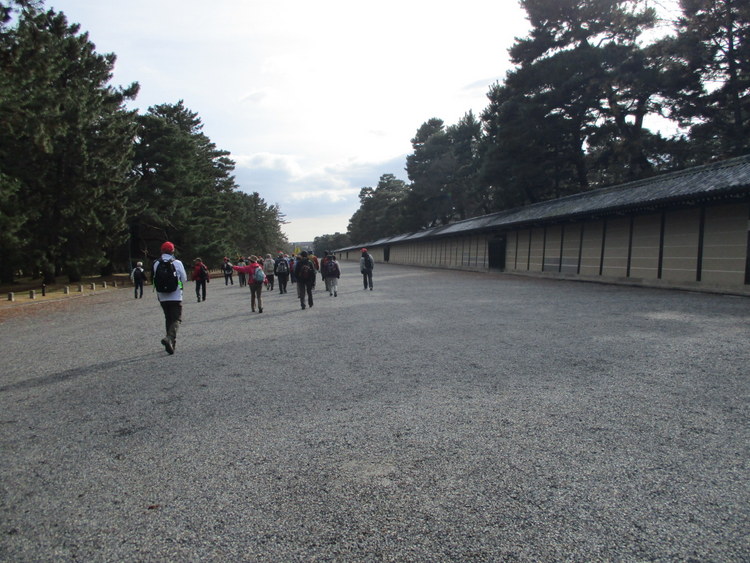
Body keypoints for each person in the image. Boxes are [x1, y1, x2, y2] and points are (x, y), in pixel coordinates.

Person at [152, 241, 188, 355]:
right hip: (175, 295)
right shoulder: (177, 263)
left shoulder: (156, 263)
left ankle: (171, 343)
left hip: (162, 295)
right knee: (176, 318)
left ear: (162, 251)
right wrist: (179, 286)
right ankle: (170, 338)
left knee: (168, 318)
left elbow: (154, 278)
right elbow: (184, 279)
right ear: (172, 251)